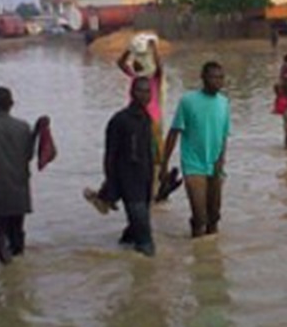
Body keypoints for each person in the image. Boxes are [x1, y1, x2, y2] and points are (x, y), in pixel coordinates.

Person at [84, 77, 155, 256]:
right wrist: (112, 184)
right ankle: (145, 278)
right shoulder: (119, 120)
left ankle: (121, 254)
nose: (144, 95)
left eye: (148, 91)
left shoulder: (146, 119)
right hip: (128, 182)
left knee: (135, 229)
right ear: (131, 92)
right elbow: (110, 156)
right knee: (146, 244)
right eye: (140, 90)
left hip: (144, 181)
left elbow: (148, 153)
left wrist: (153, 182)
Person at [160, 61, 230, 238]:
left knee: (214, 216)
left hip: (215, 164)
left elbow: (223, 136)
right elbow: (174, 133)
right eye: (214, 77)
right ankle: (197, 243)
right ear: (203, 78)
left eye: (221, 77)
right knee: (200, 216)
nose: (218, 81)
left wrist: (221, 161)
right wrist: (163, 164)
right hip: (193, 165)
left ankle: (210, 257)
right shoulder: (188, 101)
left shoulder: (224, 103)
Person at [0, 87, 47, 264]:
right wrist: (36, 132)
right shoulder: (23, 127)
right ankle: (19, 281)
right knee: (17, 235)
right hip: (19, 189)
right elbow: (28, 156)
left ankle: (8, 280)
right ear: (12, 104)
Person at [117, 35, 165, 170]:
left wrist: (154, 49)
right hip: (134, 118)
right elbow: (120, 63)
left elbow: (159, 67)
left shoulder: (153, 79)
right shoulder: (135, 77)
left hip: (151, 119)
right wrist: (130, 49)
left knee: (153, 155)